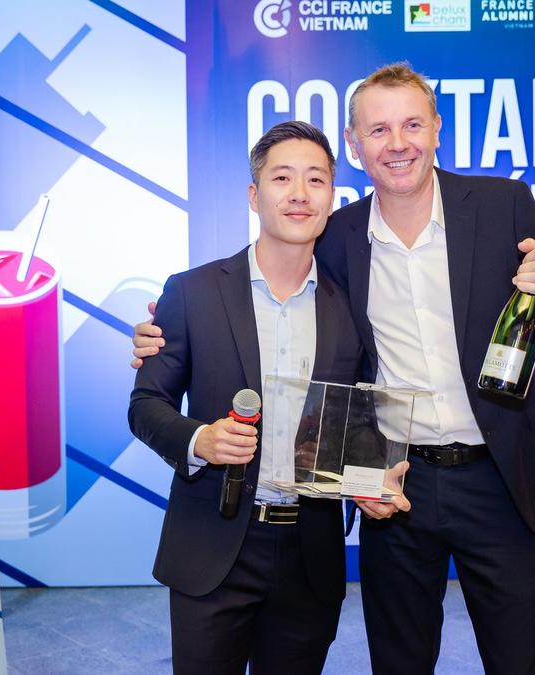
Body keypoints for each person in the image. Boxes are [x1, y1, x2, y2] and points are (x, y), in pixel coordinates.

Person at [134, 63, 535, 674]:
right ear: (355, 145)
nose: (397, 143)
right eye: (378, 130)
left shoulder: (502, 206)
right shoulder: (335, 237)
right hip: (397, 486)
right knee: (399, 662)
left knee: (521, 662)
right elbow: (286, 324)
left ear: (437, 129)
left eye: (412, 125)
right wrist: (163, 334)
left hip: (501, 478)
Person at [128, 120, 407, 675]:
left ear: (331, 197)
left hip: (311, 552)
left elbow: (359, 419)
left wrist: (369, 480)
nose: (300, 193)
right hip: (212, 546)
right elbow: (145, 405)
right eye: (282, 178)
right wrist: (200, 439)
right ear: (255, 196)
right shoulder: (192, 291)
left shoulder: (353, 307)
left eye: (316, 180)